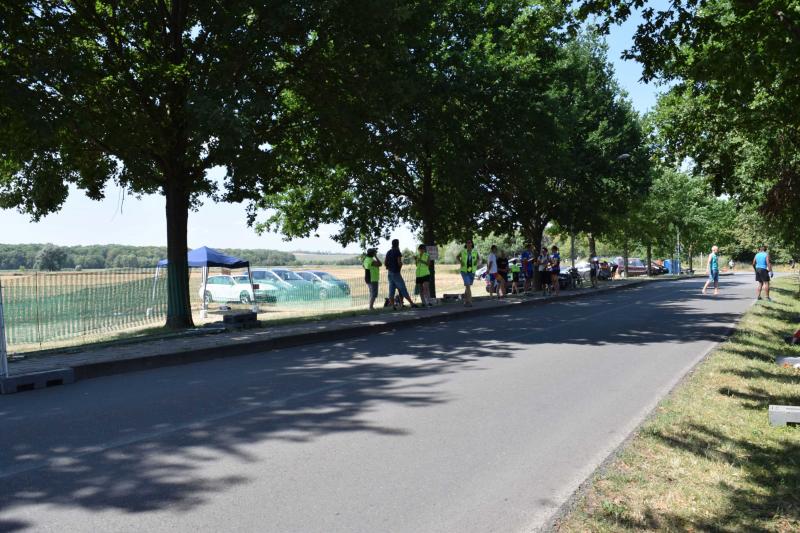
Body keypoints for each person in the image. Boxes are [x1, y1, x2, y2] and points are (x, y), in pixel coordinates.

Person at [384, 239, 417, 309]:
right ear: (398, 244)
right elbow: (399, 262)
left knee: (391, 290)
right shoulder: (397, 251)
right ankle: (411, 303)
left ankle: (393, 306)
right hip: (396, 273)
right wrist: (401, 265)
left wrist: (388, 267)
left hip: (390, 273)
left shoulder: (388, 252)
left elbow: (385, 263)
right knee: (403, 288)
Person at [459, 239, 479, 307]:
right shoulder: (463, 251)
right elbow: (457, 257)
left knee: (468, 286)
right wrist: (460, 262)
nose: (468, 244)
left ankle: (465, 300)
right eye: (467, 242)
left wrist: (476, 261)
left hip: (472, 271)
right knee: (467, 285)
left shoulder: (475, 251)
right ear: (466, 244)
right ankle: (470, 302)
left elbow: (478, 258)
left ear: (472, 244)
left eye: (470, 242)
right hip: (464, 271)